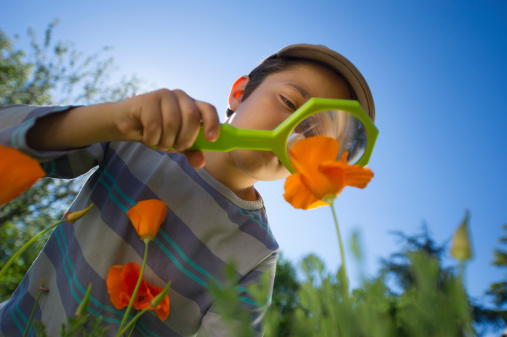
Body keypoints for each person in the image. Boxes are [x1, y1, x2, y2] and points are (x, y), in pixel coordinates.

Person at [0, 44, 375, 336]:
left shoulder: (257, 254)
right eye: (289, 102)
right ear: (239, 93)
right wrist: (111, 120)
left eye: (313, 135)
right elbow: (8, 136)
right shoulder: (144, 138)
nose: (294, 131)